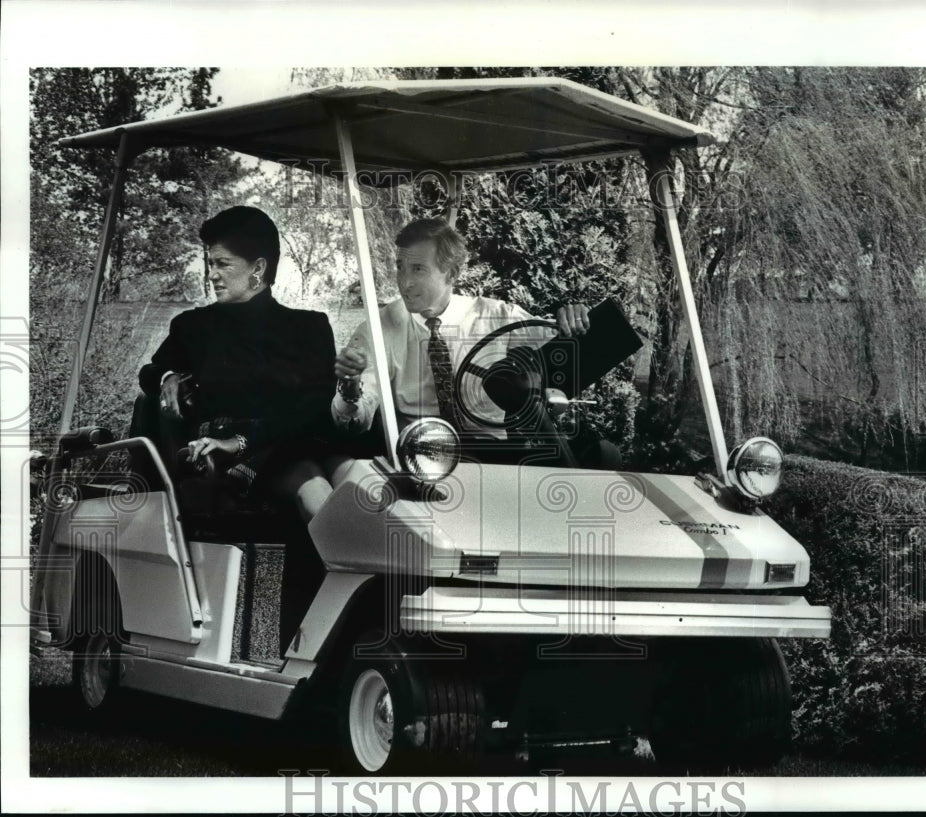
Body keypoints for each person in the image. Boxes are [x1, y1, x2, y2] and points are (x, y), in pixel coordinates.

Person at [135, 205, 339, 651]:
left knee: (321, 500)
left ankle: (330, 631)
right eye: (210, 263)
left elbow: (313, 408)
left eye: (222, 264)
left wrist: (243, 441)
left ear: (258, 269)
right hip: (210, 455)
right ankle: (240, 633)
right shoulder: (193, 326)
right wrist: (167, 378)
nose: (211, 274)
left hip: (279, 448)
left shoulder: (308, 328)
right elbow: (152, 371)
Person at [331, 217, 591, 459]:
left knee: (598, 455)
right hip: (423, 457)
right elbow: (354, 423)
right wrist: (350, 389)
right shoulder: (377, 329)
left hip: (497, 455)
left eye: (418, 269)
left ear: (452, 273)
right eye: (401, 267)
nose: (405, 282)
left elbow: (566, 349)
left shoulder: (498, 317)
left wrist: (576, 320)